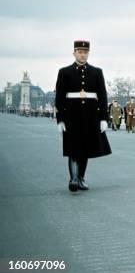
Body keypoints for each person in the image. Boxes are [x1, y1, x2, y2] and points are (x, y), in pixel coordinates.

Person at [55, 40, 112, 192]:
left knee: (86, 148)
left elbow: (102, 96)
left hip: (91, 115)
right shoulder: (64, 72)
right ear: (74, 53)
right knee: (73, 146)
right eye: (79, 52)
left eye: (85, 52)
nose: (82, 55)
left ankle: (81, 178)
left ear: (88, 53)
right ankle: (73, 178)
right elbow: (59, 97)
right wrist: (60, 119)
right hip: (71, 115)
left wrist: (104, 118)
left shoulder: (97, 72)